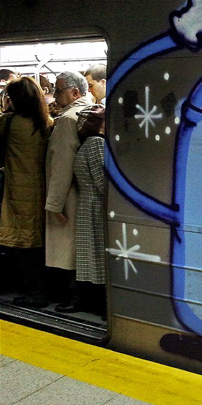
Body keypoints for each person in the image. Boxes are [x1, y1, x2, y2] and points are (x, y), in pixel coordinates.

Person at [0, 77, 52, 308]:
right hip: (40, 190)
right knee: (35, 244)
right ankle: (40, 289)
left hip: (16, 191)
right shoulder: (47, 123)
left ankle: (34, 293)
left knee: (23, 245)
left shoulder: (9, 123)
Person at [45, 71, 91, 312]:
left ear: (75, 93)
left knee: (67, 250)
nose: (54, 95)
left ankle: (72, 297)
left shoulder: (67, 119)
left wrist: (54, 204)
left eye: (58, 90)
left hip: (69, 195)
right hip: (84, 193)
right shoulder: (89, 110)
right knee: (79, 246)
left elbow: (61, 165)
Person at [74, 104, 107, 316]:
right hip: (96, 206)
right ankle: (101, 305)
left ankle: (89, 301)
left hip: (86, 204)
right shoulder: (97, 144)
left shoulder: (85, 143)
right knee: (99, 257)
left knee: (90, 258)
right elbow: (102, 181)